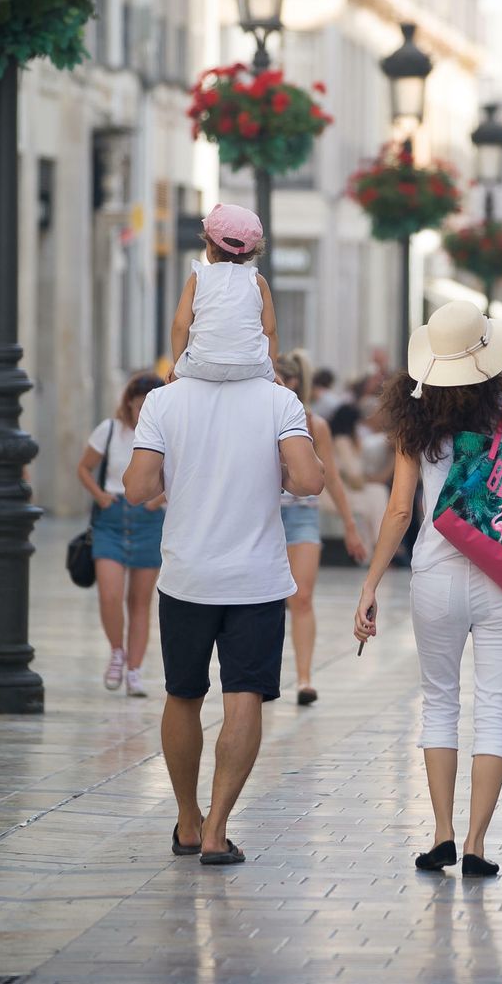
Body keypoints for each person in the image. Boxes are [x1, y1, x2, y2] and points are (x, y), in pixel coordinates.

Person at [354, 301, 502, 878]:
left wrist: (369, 586)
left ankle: (441, 833)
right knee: (495, 707)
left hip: (436, 574)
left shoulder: (416, 422)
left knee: (438, 701)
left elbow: (397, 511)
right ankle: (478, 844)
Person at [123, 348, 324, 866]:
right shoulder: (280, 400)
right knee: (244, 699)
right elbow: (308, 482)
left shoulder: (163, 401)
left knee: (182, 695)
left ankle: (188, 821)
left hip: (187, 574)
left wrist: (183, 470)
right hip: (255, 580)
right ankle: (216, 831)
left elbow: (137, 488)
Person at [275, 349, 368, 707]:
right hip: (263, 516)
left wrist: (350, 526)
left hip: (301, 516)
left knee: (301, 598)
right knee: (264, 602)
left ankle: (304, 679)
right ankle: (261, 678)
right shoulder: (258, 414)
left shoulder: (314, 424)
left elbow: (332, 479)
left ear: (295, 382)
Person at [76, 372, 168, 698]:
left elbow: (181, 474)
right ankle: (117, 651)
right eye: (141, 404)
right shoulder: (110, 430)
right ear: (130, 401)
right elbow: (84, 467)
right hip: (112, 516)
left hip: (148, 519)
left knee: (140, 602)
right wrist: (100, 495)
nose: (144, 411)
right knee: (110, 593)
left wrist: (158, 500)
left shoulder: (168, 433)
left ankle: (135, 670)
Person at [169, 204, 277, 382]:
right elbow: (270, 331)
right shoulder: (258, 281)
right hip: (250, 365)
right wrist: (272, 373)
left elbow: (180, 326)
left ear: (210, 246)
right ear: (251, 251)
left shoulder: (198, 278)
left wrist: (178, 365)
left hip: (201, 362)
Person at [328, 403, 389, 556]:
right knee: (377, 494)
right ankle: (381, 545)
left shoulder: (343, 440)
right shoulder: (342, 441)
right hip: (340, 492)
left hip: (346, 488)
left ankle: (381, 543)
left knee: (377, 493)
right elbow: (354, 474)